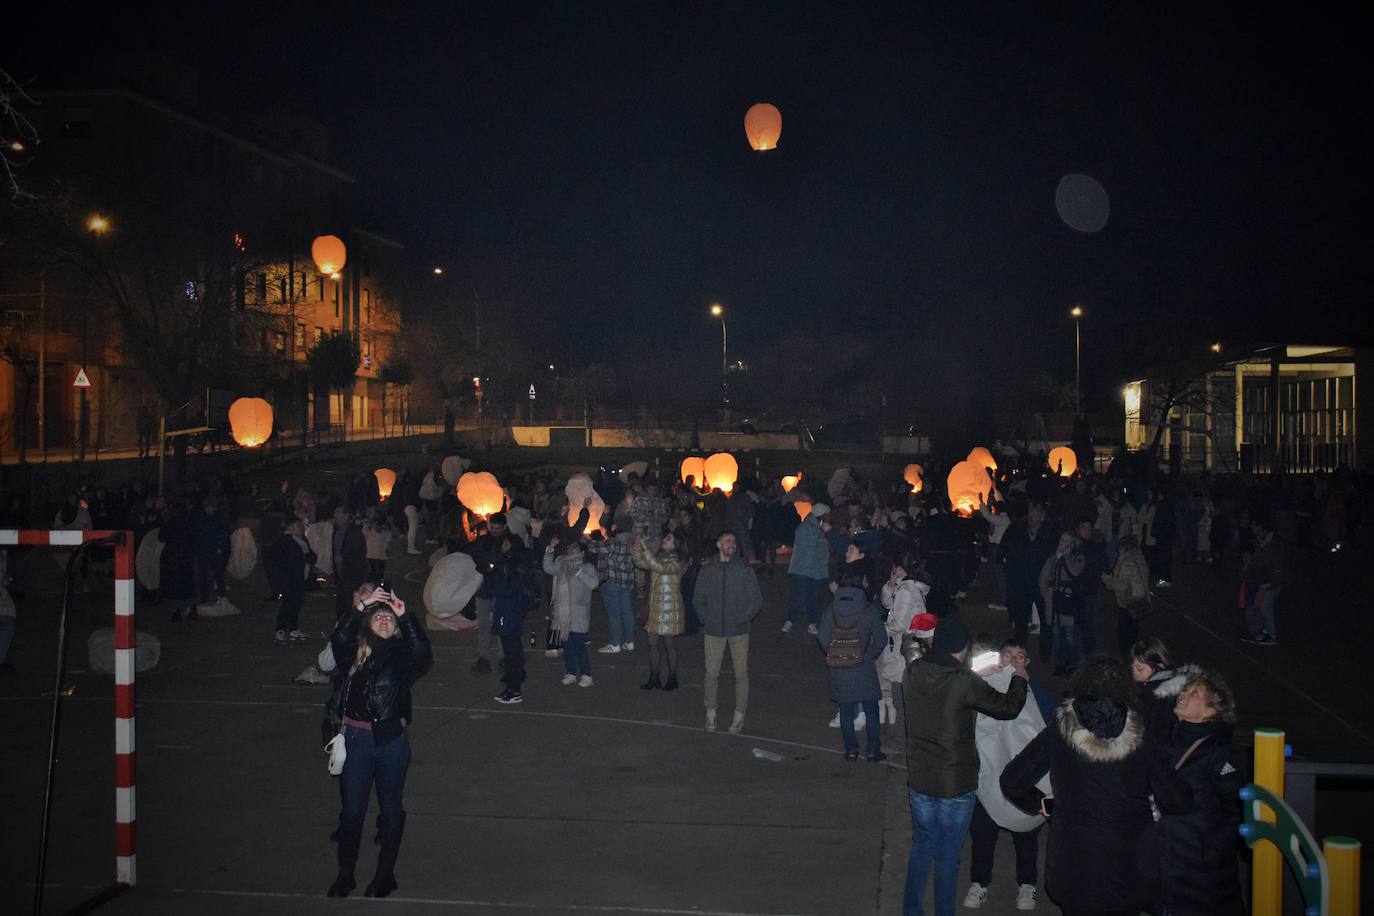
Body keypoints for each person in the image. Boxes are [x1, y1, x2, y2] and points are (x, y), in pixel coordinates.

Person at [1001, 656, 1190, 916]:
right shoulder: (1143, 735)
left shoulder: (1061, 729)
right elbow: (1177, 800)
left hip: (1073, 864)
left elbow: (1012, 780)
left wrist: (1046, 806)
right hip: (1129, 864)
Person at [902, 618, 1028, 916]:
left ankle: (912, 910)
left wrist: (975, 673)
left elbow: (948, 684)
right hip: (955, 782)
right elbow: (1008, 707)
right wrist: (1019, 677)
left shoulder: (913, 671)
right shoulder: (964, 682)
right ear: (963, 649)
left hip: (920, 777)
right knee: (947, 856)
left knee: (922, 847)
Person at [323, 590, 433, 898]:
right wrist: (362, 605)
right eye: (378, 616)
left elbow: (423, 653)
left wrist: (404, 613)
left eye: (388, 618)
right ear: (368, 624)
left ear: (395, 626)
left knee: (391, 808)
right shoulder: (353, 656)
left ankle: (385, 877)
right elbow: (339, 636)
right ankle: (345, 875)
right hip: (356, 740)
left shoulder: (402, 659)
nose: (383, 618)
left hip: (391, 742)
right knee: (353, 811)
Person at [963, 639, 1045, 912]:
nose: (1013, 661)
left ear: (1028, 663)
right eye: (1009, 655)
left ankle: (1027, 885)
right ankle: (979, 883)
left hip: (1024, 779)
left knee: (1026, 832)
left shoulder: (1038, 694)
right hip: (986, 774)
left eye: (1020, 656)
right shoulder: (980, 686)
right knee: (983, 834)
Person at [1156, 671, 1244, 916]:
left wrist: (1213, 851)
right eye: (1186, 690)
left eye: (1195, 693)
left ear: (1210, 712)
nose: (1184, 694)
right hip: (1170, 863)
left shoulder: (1219, 753)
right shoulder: (1170, 739)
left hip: (1200, 872)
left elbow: (1236, 807)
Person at [693, 531, 764, 734]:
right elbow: (698, 600)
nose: (732, 543)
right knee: (711, 674)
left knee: (741, 674)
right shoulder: (708, 571)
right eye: (727, 540)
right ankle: (711, 713)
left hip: (739, 631)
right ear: (718, 544)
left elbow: (756, 600)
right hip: (714, 630)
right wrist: (707, 619)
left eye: (734, 540)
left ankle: (739, 715)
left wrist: (742, 618)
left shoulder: (743, 569)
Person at [817, 567, 887, 761]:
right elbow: (881, 640)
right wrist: (867, 654)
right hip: (864, 668)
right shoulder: (869, 609)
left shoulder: (830, 609)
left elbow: (822, 638)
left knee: (846, 710)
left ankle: (851, 750)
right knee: (871, 710)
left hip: (839, 669)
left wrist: (835, 653)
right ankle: (873, 750)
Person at [877, 556, 930, 728]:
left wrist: (878, 629)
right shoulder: (907, 587)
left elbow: (899, 623)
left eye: (896, 567)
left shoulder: (907, 591)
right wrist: (890, 584)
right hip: (906, 643)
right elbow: (887, 604)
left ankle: (897, 732)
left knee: (897, 684)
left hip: (902, 645)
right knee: (895, 682)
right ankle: (894, 728)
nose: (893, 570)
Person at [999, 503, 1055, 655]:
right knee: (1021, 619)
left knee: (1046, 618)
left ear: (1042, 517)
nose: (1032, 519)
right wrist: (1008, 570)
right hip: (1021, 582)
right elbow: (1003, 548)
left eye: (1035, 516)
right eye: (1030, 516)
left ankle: (1045, 651)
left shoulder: (1050, 533)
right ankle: (1020, 651)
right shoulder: (1017, 529)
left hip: (1041, 583)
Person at [543, 534, 599, 687]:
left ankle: (586, 675)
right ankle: (571, 672)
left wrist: (580, 572)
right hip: (563, 611)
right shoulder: (561, 562)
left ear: (581, 551)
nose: (570, 550)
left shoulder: (587, 567)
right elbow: (548, 568)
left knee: (579, 644)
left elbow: (594, 584)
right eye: (569, 547)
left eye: (574, 548)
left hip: (579, 612)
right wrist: (550, 550)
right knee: (566, 644)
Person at [634, 530, 686, 690]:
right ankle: (654, 676)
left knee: (669, 644)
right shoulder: (659, 555)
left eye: (669, 539)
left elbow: (660, 567)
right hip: (655, 605)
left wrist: (645, 547)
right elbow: (640, 562)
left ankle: (672, 677)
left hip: (670, 607)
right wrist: (637, 546)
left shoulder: (678, 560)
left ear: (676, 543)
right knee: (652, 643)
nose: (664, 540)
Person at [465, 512, 514, 672]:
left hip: (501, 590)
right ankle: (484, 657)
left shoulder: (512, 541)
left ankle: (503, 656)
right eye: (492, 528)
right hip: (484, 590)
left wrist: (493, 560)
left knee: (501, 624)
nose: (494, 531)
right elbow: (474, 557)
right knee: (483, 624)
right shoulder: (483, 541)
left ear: (504, 527)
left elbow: (509, 563)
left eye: (497, 529)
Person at [1130, 637, 1201, 741]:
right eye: (1132, 667)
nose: (1134, 672)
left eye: (1140, 669)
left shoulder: (1159, 696)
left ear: (1159, 666)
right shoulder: (1151, 684)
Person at [490, 541, 534, 704]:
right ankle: (512, 685)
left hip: (508, 615)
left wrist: (498, 566)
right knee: (512, 652)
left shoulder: (512, 571)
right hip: (511, 615)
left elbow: (499, 588)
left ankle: (514, 690)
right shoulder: (518, 567)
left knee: (511, 653)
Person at [1037, 531, 1086, 677]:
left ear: (1073, 544)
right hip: (1053, 602)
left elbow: (1075, 572)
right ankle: (1060, 664)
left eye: (1066, 541)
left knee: (1070, 636)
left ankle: (1072, 665)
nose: (1061, 543)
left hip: (1068, 602)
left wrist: (1065, 556)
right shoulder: (1053, 556)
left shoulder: (1078, 558)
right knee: (1057, 634)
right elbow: (1044, 576)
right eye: (1061, 539)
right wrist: (1045, 593)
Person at [266, 516, 316, 645]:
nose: (301, 528)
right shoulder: (284, 541)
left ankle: (293, 628)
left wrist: (307, 557)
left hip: (300, 578)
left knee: (296, 603)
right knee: (288, 604)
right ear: (292, 526)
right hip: (289, 579)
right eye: (299, 525)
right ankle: (280, 629)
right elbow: (280, 562)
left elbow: (311, 556)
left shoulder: (301, 540)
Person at [1240, 515, 1288, 646]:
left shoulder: (1274, 542)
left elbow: (1274, 563)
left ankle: (1271, 635)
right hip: (1268, 578)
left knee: (1266, 605)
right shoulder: (1263, 540)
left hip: (1274, 579)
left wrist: (1272, 581)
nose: (1252, 528)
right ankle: (1266, 632)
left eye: (1254, 525)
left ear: (1261, 526)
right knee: (1263, 605)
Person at [588, 527, 637, 654]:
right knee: (627, 611)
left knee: (614, 614)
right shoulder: (632, 542)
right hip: (626, 581)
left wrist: (585, 537)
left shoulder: (613, 542)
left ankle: (615, 644)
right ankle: (629, 641)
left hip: (612, 581)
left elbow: (593, 547)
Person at [1101, 533, 1150, 655]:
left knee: (1123, 634)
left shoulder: (1127, 562)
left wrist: (1107, 579)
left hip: (1128, 603)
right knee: (1133, 632)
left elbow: (1121, 585)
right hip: (1140, 600)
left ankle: (1127, 659)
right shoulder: (1139, 558)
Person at [785, 503, 830, 634]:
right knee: (801, 595)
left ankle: (811, 622)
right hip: (803, 568)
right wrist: (823, 540)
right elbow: (807, 547)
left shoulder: (821, 528)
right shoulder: (804, 527)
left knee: (814, 597)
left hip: (817, 569)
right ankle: (790, 619)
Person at [332, 506, 367, 619]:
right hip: (342, 573)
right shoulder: (337, 530)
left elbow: (360, 553)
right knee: (342, 603)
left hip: (351, 574)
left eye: (338, 512)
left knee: (349, 603)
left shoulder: (354, 531)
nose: (335, 515)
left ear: (346, 515)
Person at [363, 509, 392, 583]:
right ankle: (380, 584)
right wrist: (387, 548)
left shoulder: (368, 526)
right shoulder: (386, 527)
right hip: (381, 551)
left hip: (370, 551)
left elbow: (364, 535)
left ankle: (372, 584)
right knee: (381, 570)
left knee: (372, 569)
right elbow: (388, 539)